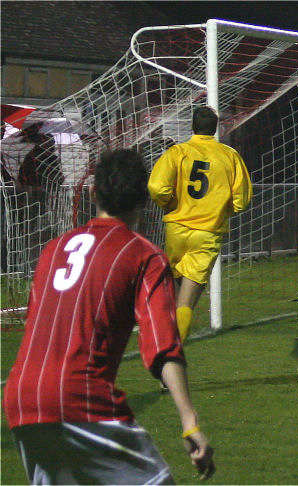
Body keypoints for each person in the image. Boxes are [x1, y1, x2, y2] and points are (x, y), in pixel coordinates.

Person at [2, 149, 215, 484]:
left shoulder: (53, 250)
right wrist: (190, 421)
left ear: (92, 193)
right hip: (81, 397)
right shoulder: (143, 255)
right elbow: (162, 345)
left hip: (23, 400)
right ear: (143, 202)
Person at [148, 106, 252, 342]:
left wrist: (168, 203)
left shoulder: (177, 152)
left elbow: (156, 187)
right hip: (207, 231)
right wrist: (225, 210)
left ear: (192, 126)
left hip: (176, 228)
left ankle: (163, 330)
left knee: (177, 290)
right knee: (187, 300)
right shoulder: (228, 155)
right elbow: (242, 197)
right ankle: (170, 353)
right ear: (216, 128)